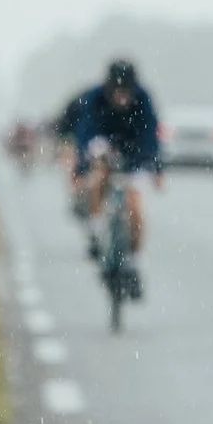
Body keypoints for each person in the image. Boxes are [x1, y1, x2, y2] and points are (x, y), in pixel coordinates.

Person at [53, 58, 166, 280]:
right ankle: (96, 229)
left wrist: (157, 169)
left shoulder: (144, 99)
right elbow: (85, 133)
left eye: (127, 92)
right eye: (117, 92)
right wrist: (81, 168)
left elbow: (152, 136)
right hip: (104, 144)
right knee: (97, 179)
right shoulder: (95, 98)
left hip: (135, 150)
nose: (122, 98)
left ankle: (135, 260)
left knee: (135, 206)